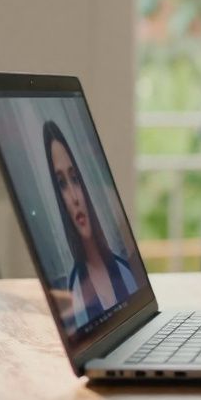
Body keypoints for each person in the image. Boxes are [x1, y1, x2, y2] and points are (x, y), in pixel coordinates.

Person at [43, 120, 138, 330]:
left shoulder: (124, 271)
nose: (75, 197)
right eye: (62, 184)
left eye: (75, 178)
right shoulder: (75, 291)